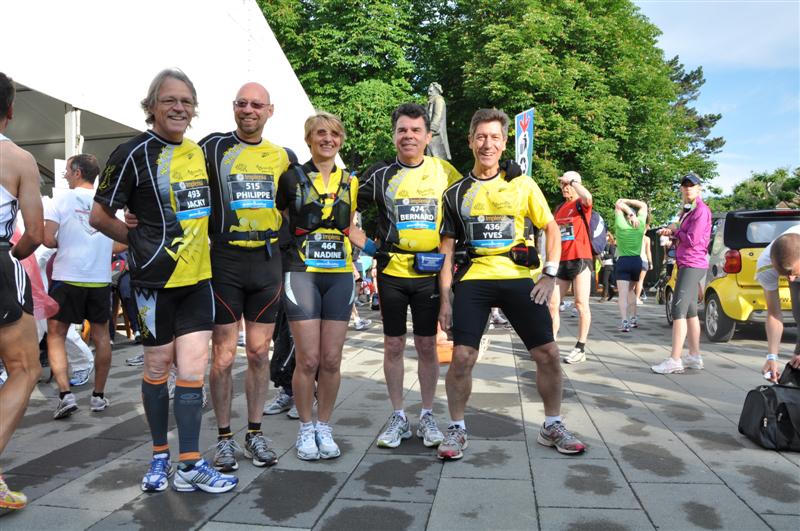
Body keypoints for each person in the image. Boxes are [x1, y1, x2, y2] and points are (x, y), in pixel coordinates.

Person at [90, 68, 237, 493]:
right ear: (152, 106)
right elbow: (99, 215)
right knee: (157, 367)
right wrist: (134, 239)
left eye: (186, 102)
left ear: (194, 110)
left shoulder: (199, 153)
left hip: (198, 282)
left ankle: (190, 462)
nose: (178, 108)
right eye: (169, 100)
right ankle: (159, 457)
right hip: (153, 285)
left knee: (193, 371)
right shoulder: (131, 152)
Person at [437, 108, 585, 460]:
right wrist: (444, 298)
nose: (488, 144)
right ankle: (456, 429)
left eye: (495, 137)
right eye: (481, 137)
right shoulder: (455, 192)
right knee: (462, 357)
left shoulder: (522, 184)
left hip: (519, 278)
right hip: (474, 279)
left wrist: (550, 275)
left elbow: (550, 229)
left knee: (547, 354)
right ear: (471, 141)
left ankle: (552, 425)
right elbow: (446, 249)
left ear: (504, 144)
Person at [358, 103, 462, 450]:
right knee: (392, 344)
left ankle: (429, 414)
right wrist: (369, 248)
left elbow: (475, 190)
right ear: (394, 135)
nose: (409, 136)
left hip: (428, 275)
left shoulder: (443, 171)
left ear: (427, 137)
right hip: (391, 272)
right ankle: (399, 415)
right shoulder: (380, 173)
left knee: (427, 346)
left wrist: (510, 173)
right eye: (402, 130)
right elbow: (342, 201)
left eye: (416, 131)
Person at [199, 82, 292, 472]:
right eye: (242, 103)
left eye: (257, 104)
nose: (249, 109)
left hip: (267, 260)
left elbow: (297, 207)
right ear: (233, 108)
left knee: (257, 353)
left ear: (270, 111)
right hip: (225, 258)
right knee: (221, 355)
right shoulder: (212, 147)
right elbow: (182, 188)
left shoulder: (284, 156)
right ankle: (223, 438)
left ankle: (254, 432)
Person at [275, 111, 360, 461]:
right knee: (307, 359)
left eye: (335, 134)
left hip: (340, 274)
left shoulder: (351, 181)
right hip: (302, 273)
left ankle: (324, 425)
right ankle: (305, 428)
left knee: (331, 358)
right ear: (309, 138)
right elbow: (278, 218)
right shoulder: (291, 177)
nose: (328, 139)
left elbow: (354, 225)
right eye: (321, 133)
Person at [0, 71, 44, 513]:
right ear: (10, 113)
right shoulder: (17, 159)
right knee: (24, 368)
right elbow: (33, 232)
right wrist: (13, 255)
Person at [44, 154, 114, 417]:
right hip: (99, 279)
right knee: (102, 337)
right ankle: (98, 397)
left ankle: (65, 394)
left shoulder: (59, 200)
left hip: (66, 276)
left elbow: (46, 238)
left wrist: (68, 245)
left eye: (66, 171)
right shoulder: (107, 204)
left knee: (56, 335)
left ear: (76, 172)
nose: (64, 175)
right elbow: (120, 243)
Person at [652, 173, 712, 374]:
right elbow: (688, 237)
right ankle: (694, 356)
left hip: (692, 263)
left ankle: (675, 359)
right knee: (691, 312)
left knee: (678, 310)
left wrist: (674, 233)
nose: (688, 189)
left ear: (699, 188)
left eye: (692, 186)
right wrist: (673, 233)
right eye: (685, 186)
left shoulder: (701, 211)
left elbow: (693, 239)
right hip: (690, 262)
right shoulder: (690, 211)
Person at [550, 171, 593, 364]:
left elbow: (588, 197)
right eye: (563, 184)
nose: (565, 187)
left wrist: (574, 182)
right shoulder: (559, 208)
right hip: (561, 260)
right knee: (552, 304)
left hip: (581, 258)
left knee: (581, 304)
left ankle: (580, 347)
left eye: (568, 184)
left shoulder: (580, 204)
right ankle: (550, 345)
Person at [757, 225, 800, 382]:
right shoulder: (765, 265)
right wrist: (771, 356)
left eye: (794, 274)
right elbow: (774, 314)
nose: (790, 279)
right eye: (785, 274)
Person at [612, 199, 648, 332]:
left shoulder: (621, 225)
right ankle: (633, 318)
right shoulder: (640, 226)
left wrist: (625, 207)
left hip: (623, 261)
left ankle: (624, 321)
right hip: (637, 261)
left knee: (622, 293)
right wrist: (628, 202)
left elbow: (618, 205)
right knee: (630, 291)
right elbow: (643, 205)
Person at [425, 83, 451, 160]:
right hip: (429, 134)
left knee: (436, 158)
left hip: (435, 135)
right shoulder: (430, 100)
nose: (429, 90)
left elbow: (437, 116)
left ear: (436, 89)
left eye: (431, 88)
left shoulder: (438, 100)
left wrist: (431, 130)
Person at [635, 231, 653, 305]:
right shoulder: (646, 239)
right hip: (643, 260)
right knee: (640, 281)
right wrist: (650, 262)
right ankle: (636, 298)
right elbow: (648, 251)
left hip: (633, 260)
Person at [599, 233, 616, 302]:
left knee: (604, 281)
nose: (605, 237)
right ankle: (611, 292)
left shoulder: (611, 245)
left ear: (609, 237)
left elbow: (612, 255)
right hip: (603, 265)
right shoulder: (602, 245)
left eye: (606, 236)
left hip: (609, 265)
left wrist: (603, 256)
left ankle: (604, 296)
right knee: (604, 281)